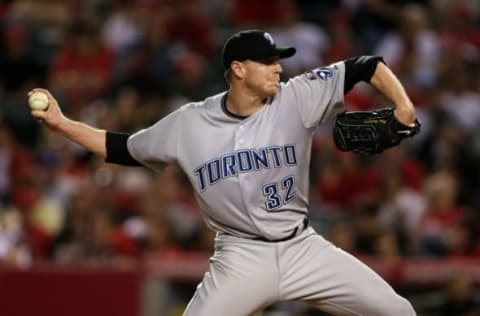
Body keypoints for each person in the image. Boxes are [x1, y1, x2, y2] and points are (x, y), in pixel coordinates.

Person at [29, 29, 417, 316]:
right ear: (238, 69)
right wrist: (63, 125)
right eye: (268, 61)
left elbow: (366, 66)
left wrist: (403, 108)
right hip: (240, 256)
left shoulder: (297, 96)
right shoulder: (190, 123)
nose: (278, 68)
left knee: (399, 313)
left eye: (278, 60)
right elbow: (121, 148)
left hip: (303, 246)